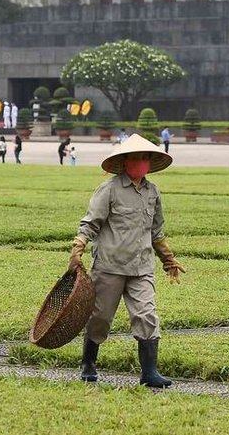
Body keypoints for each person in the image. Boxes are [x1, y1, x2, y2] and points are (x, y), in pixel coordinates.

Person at [69, 133, 185, 388]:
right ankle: (88, 363)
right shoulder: (109, 189)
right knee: (100, 317)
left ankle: (149, 372)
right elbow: (91, 222)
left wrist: (168, 259)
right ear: (125, 162)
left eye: (146, 159)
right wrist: (78, 247)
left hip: (141, 267)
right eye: (137, 159)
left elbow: (156, 232)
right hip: (110, 265)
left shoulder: (152, 192)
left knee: (147, 315)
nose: (142, 163)